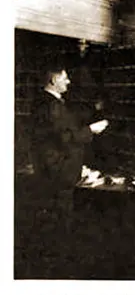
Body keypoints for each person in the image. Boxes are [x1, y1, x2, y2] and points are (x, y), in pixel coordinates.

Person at [30, 64, 108, 218]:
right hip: (58, 171)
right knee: (61, 214)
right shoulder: (52, 105)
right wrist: (91, 130)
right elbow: (65, 137)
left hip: (50, 167)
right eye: (65, 78)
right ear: (53, 80)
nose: (69, 81)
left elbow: (63, 128)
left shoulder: (44, 101)